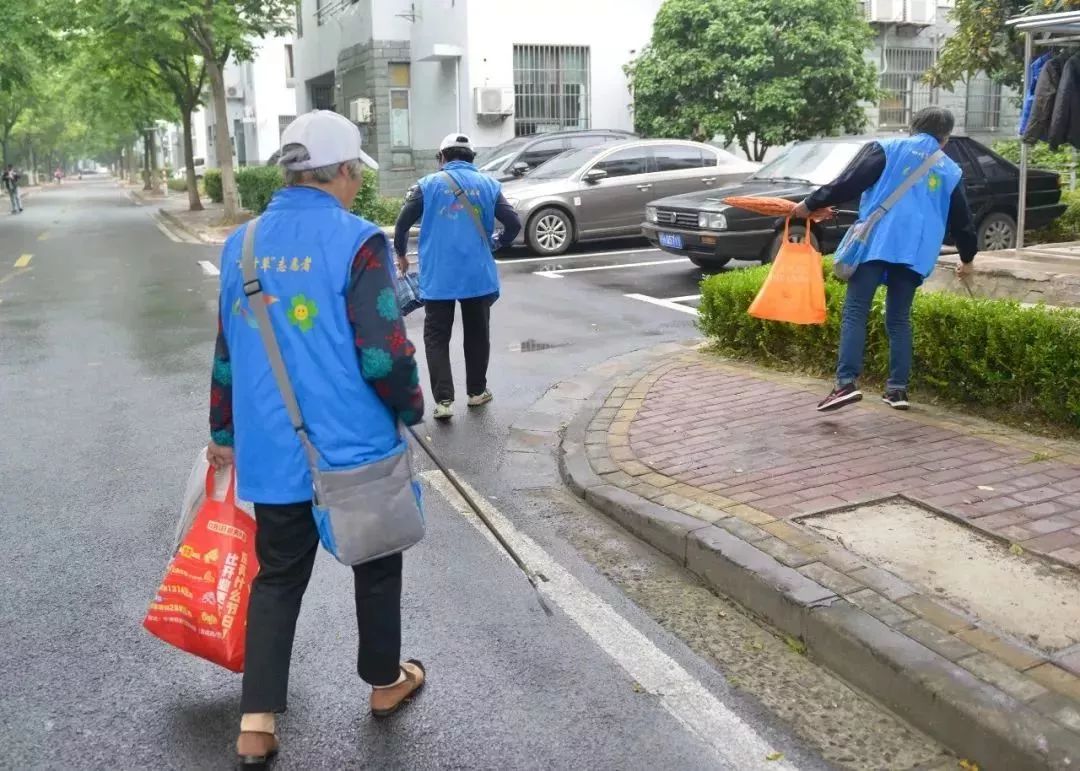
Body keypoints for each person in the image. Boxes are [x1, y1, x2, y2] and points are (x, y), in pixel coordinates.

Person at [205, 110, 426, 766]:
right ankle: (385, 683)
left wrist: (223, 429)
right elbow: (384, 353)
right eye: (357, 172)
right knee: (377, 563)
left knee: (277, 576)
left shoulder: (239, 245)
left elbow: (226, 348)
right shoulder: (359, 241)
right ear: (344, 172)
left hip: (275, 451)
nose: (357, 184)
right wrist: (411, 403)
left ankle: (257, 720)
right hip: (353, 445)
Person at [792, 106, 977, 413]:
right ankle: (897, 390)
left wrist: (810, 204)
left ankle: (846, 384)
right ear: (945, 138)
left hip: (878, 242)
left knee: (855, 311)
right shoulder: (950, 170)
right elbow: (963, 222)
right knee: (899, 319)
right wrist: (967, 259)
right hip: (915, 252)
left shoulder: (888, 148)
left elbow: (849, 182)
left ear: (913, 127)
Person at [393, 133, 522, 421]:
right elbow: (513, 223)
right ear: (472, 159)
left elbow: (401, 226)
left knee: (437, 336)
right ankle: (476, 392)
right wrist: (497, 242)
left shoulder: (426, 186)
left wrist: (401, 255)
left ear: (442, 158)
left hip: (439, 277)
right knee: (477, 334)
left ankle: (444, 401)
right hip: (478, 275)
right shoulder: (489, 184)